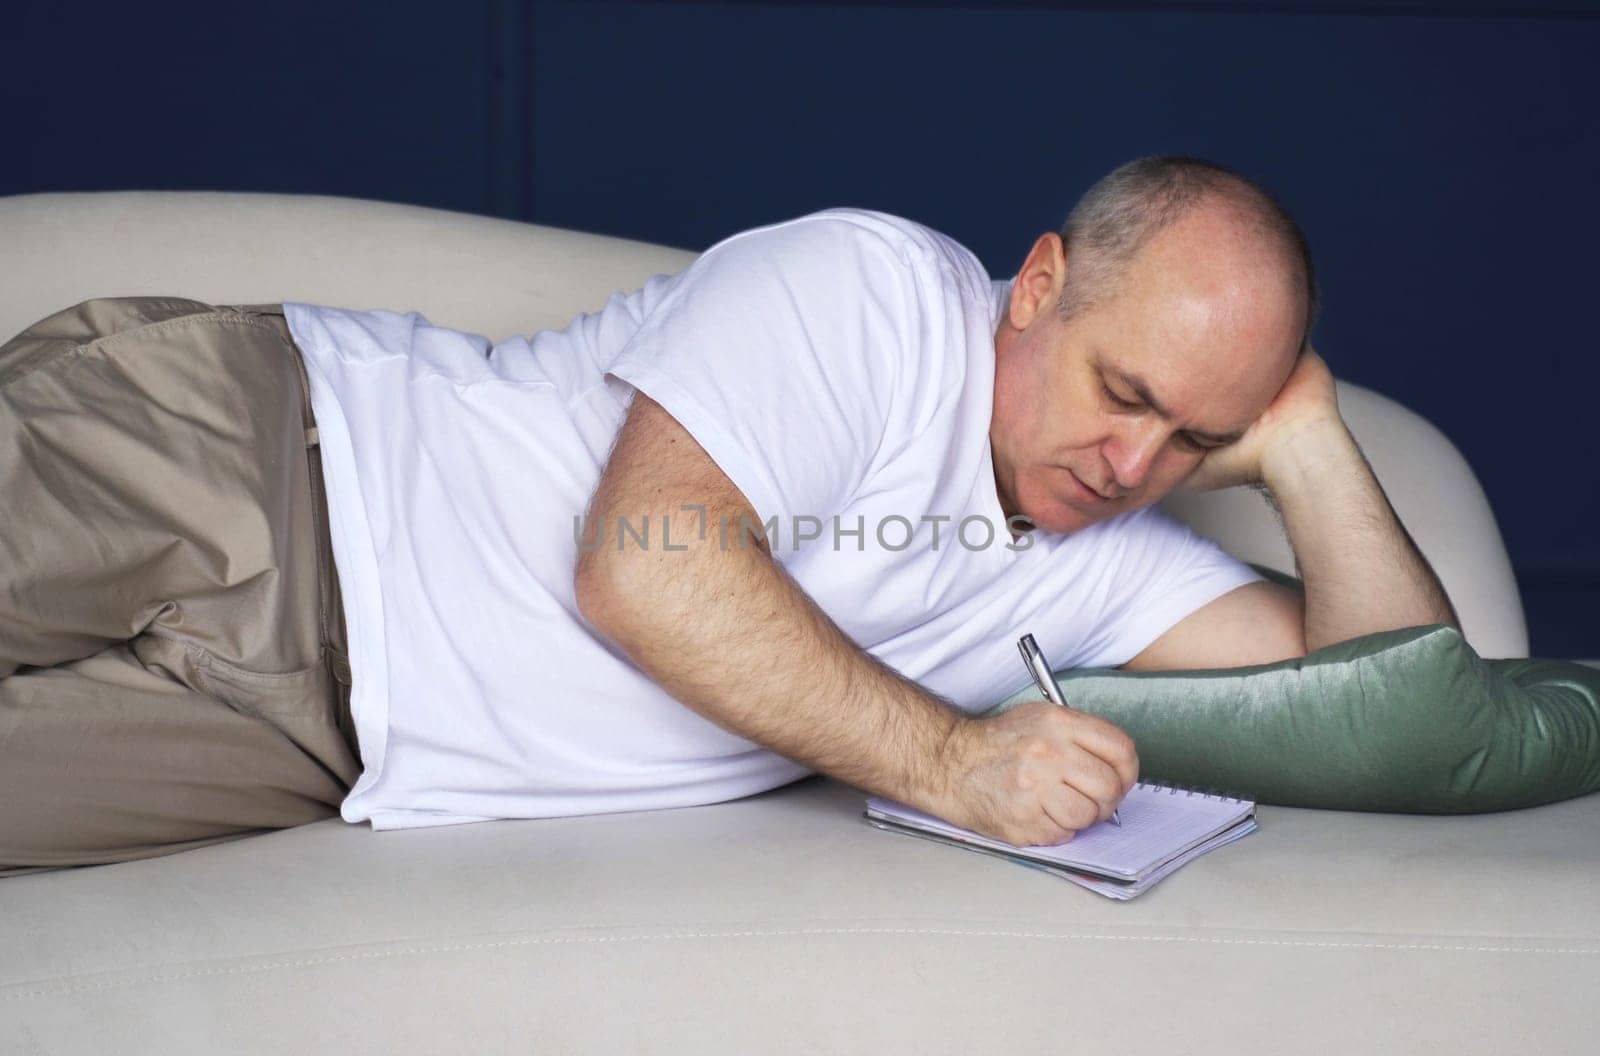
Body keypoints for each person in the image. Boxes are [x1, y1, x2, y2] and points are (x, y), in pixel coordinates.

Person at [0, 154, 1457, 876]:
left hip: (323, 732)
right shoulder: (873, 295)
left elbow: (1400, 717)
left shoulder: (1109, 558)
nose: (1136, 460)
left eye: (1197, 436)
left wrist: (1310, 440)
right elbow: (652, 568)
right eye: (1123, 389)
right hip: (270, 460)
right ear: (1039, 285)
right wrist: (959, 762)